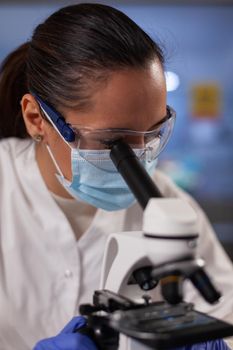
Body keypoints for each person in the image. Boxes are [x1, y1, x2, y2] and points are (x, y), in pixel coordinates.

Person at [0, 3, 233, 350]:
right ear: (36, 118)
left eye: (153, 134)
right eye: (114, 141)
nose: (139, 157)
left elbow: (224, 309)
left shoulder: (167, 203)